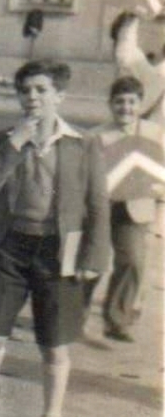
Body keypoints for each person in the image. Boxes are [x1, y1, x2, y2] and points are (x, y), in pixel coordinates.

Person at [0, 59, 109, 417]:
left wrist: (94, 257)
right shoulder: (4, 139)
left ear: (59, 95)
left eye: (41, 90)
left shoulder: (82, 144)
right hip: (11, 247)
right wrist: (16, 142)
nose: (32, 97)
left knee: (54, 344)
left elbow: (98, 203)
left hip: (59, 251)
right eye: (25, 90)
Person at [88, 76, 163, 342]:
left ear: (141, 104)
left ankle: (117, 319)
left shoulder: (154, 133)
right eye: (119, 102)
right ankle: (72, 315)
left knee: (133, 261)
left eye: (132, 102)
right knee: (91, 263)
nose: (126, 108)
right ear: (110, 104)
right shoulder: (97, 135)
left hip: (135, 208)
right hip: (100, 207)